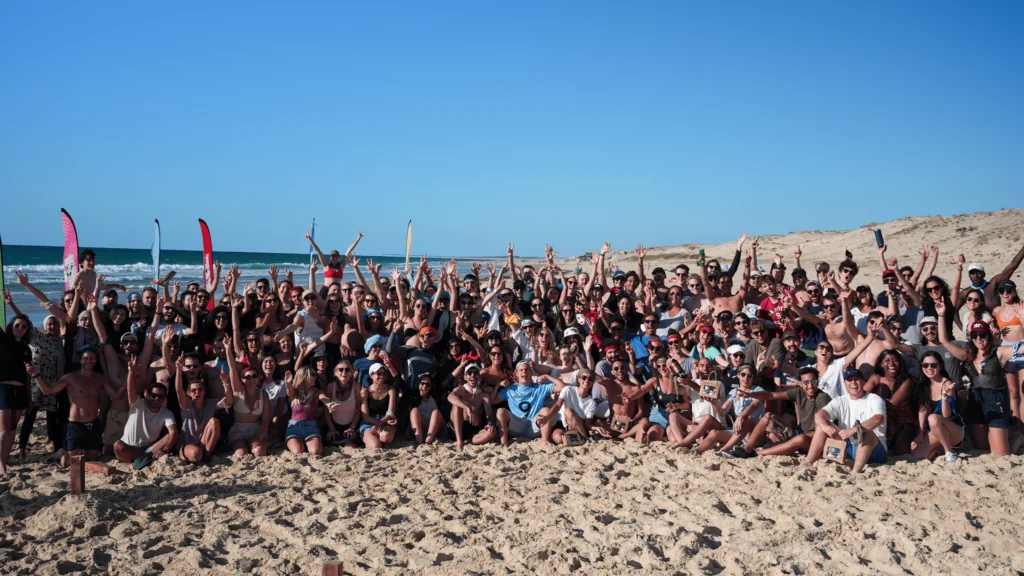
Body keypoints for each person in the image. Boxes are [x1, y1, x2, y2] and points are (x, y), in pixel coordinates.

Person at [937, 303, 1016, 455]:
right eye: (974, 336)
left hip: (996, 400)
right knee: (980, 446)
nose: (978, 339)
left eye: (982, 335)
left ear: (989, 336)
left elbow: (1021, 348)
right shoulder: (968, 355)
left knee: (1001, 454)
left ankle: (1016, 439)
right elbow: (944, 341)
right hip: (976, 399)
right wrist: (941, 315)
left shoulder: (999, 352)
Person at [729, 366, 833, 458]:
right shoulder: (799, 392)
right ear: (801, 384)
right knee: (768, 416)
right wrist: (751, 395)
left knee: (800, 438)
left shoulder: (822, 398)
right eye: (806, 382)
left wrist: (794, 437)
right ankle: (747, 449)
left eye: (813, 382)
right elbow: (771, 395)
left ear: (817, 382)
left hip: (816, 441)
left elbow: (822, 431)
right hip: (800, 433)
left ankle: (759, 453)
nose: (810, 386)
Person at [804, 369, 887, 473]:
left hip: (873, 450)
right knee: (822, 425)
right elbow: (819, 415)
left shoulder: (874, 399)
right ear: (845, 384)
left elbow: (878, 419)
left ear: (863, 381)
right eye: (850, 380)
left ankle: (856, 470)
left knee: (866, 432)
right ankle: (808, 462)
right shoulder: (840, 400)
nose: (853, 383)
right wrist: (825, 427)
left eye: (856, 379)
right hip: (847, 447)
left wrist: (854, 429)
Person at [113, 356, 180, 470]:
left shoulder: (166, 413)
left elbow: (174, 432)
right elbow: (130, 390)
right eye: (154, 395)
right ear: (147, 395)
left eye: (160, 396)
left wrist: (165, 450)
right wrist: (131, 372)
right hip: (128, 447)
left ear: (164, 398)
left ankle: (141, 461)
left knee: (168, 437)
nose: (157, 398)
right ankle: (141, 461)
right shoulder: (138, 404)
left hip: (148, 449)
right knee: (118, 446)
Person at [173, 355, 229, 463]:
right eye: (193, 390)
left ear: (204, 392)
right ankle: (200, 456)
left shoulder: (210, 404)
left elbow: (228, 402)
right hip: (187, 444)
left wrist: (225, 383)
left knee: (215, 421)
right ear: (188, 393)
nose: (197, 392)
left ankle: (206, 456)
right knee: (196, 453)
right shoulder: (186, 405)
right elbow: (179, 390)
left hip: (204, 443)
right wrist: (179, 370)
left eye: (200, 389)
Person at [495, 362, 566, 445]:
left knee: (545, 410)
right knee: (500, 411)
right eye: (521, 370)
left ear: (531, 372)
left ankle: (545, 441)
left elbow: (563, 387)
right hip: (516, 425)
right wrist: (498, 385)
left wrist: (547, 376)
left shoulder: (540, 387)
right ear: (516, 373)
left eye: (527, 370)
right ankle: (504, 443)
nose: (524, 372)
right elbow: (493, 401)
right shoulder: (510, 389)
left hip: (534, 425)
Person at [910, 351, 964, 462]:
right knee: (917, 454)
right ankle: (939, 448)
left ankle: (949, 452)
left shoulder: (947, 384)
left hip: (954, 429)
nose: (929, 368)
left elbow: (947, 415)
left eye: (933, 365)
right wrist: (921, 433)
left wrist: (944, 397)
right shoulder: (925, 384)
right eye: (925, 365)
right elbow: (923, 410)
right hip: (936, 429)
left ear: (940, 366)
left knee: (933, 418)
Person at [224, 353, 273, 457]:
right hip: (239, 430)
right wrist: (228, 349)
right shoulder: (238, 392)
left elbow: (266, 420)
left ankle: (265, 443)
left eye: (254, 376)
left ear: (259, 378)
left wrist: (259, 437)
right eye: (248, 377)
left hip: (256, 429)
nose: (251, 379)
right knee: (242, 454)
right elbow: (232, 369)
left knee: (259, 452)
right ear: (242, 379)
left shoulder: (263, 394)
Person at [538, 368, 601, 444]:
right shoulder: (568, 389)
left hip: (579, 428)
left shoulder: (591, 402)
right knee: (558, 437)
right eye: (584, 378)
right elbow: (558, 405)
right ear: (579, 379)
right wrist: (547, 417)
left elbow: (587, 423)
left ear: (593, 382)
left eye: (590, 379)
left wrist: (595, 428)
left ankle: (584, 438)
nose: (587, 381)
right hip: (564, 424)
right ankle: (576, 439)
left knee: (568, 411)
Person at [447, 363, 498, 449]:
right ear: (465, 377)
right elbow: (450, 397)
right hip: (456, 428)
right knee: (457, 405)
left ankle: (467, 442)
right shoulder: (460, 390)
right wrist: (467, 407)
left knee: (492, 432)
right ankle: (459, 441)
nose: (472, 375)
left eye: (475, 373)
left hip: (473, 430)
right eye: (469, 373)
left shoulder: (483, 395)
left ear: (479, 377)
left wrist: (489, 423)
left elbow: (489, 415)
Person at [320, 359, 361, 447]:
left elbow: (359, 409)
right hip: (333, 425)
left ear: (352, 373)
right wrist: (331, 428)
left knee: (351, 445)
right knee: (328, 443)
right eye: (341, 369)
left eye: (347, 369)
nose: (344, 372)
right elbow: (326, 410)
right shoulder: (331, 386)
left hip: (351, 424)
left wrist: (352, 427)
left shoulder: (356, 386)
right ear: (335, 373)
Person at [284, 366, 324, 455]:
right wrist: (287, 383)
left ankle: (304, 443)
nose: (315, 377)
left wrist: (329, 404)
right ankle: (296, 443)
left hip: (311, 427)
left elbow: (324, 398)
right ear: (304, 377)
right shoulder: (295, 392)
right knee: (297, 451)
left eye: (315, 374)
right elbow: (289, 390)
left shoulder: (317, 391)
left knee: (316, 451)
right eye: (312, 374)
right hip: (294, 427)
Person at [361, 363, 398, 449]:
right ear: (371, 375)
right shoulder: (365, 391)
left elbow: (390, 413)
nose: (382, 376)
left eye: (384, 373)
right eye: (378, 373)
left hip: (385, 420)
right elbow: (365, 416)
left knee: (386, 436)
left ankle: (379, 439)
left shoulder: (390, 390)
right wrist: (377, 423)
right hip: (369, 422)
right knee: (375, 446)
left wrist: (380, 423)